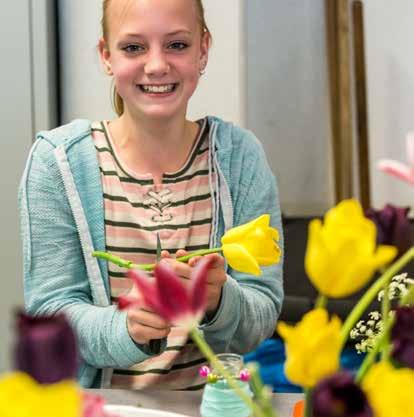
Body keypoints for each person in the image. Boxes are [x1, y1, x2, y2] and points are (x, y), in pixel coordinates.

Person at [18, 0, 284, 390]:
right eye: (133, 47)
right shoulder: (57, 164)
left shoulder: (240, 158)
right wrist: (126, 328)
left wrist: (219, 301)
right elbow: (51, 316)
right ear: (106, 56)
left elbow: (262, 313)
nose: (157, 65)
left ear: (203, 49)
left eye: (177, 45)